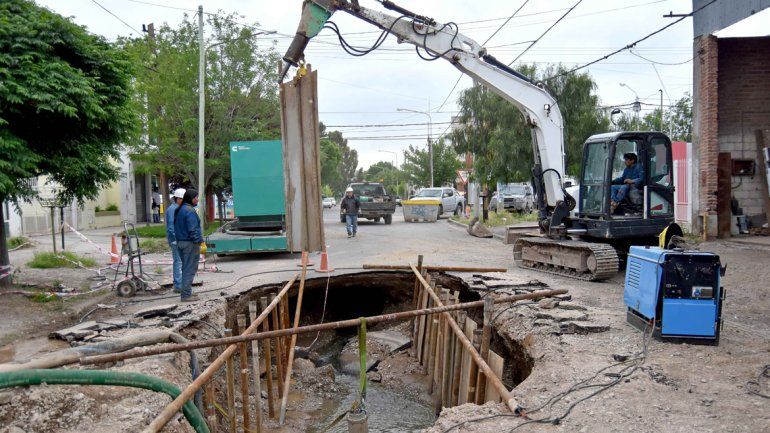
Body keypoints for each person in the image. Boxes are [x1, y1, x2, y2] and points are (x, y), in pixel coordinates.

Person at [173, 189, 204, 302]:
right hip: (190, 243)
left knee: (185, 267)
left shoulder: (179, 210)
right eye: (196, 197)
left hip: (180, 242)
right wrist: (200, 241)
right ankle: (186, 295)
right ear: (191, 198)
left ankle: (187, 292)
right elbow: (193, 230)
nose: (197, 199)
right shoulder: (190, 211)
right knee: (189, 269)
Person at [165, 188, 185, 293]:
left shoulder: (179, 208)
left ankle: (180, 284)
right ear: (177, 199)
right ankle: (178, 285)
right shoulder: (173, 210)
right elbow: (171, 228)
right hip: (176, 241)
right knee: (178, 262)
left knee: (180, 262)